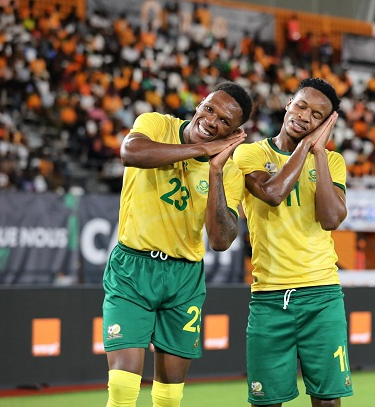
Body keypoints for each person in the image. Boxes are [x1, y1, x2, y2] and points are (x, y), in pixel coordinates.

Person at [102, 82, 253, 407]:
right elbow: (131, 152)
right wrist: (201, 151)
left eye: (224, 121)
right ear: (200, 103)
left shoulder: (229, 169)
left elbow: (221, 240)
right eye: (210, 108)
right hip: (133, 269)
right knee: (122, 388)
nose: (211, 120)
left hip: (184, 278)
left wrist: (214, 169)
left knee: (169, 397)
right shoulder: (157, 123)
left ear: (234, 131)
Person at [233, 78, 353, 406]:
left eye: (317, 115)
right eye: (301, 105)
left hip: (322, 295)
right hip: (269, 298)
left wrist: (320, 155)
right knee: (267, 401)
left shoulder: (334, 161)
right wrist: (307, 146)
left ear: (326, 124)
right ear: (288, 103)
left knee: (328, 400)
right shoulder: (249, 153)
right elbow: (272, 193)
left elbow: (331, 219)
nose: (305, 116)